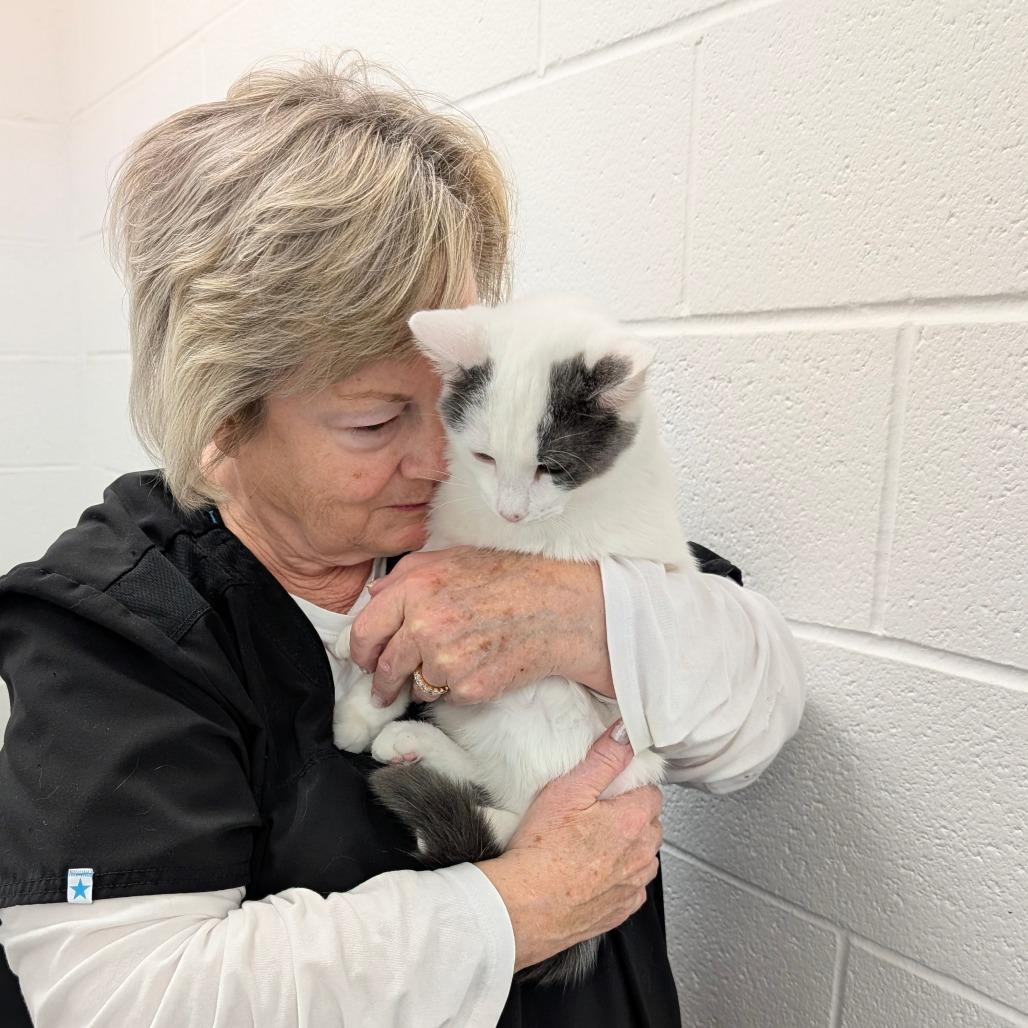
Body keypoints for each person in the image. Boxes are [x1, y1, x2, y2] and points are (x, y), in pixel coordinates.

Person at [0, 52, 806, 1027]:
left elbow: (755, 707)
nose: (438, 459)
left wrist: (577, 616)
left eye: (452, 401)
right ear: (221, 419)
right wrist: (514, 908)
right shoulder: (114, 635)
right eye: (375, 423)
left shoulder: (500, 492)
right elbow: (130, 997)